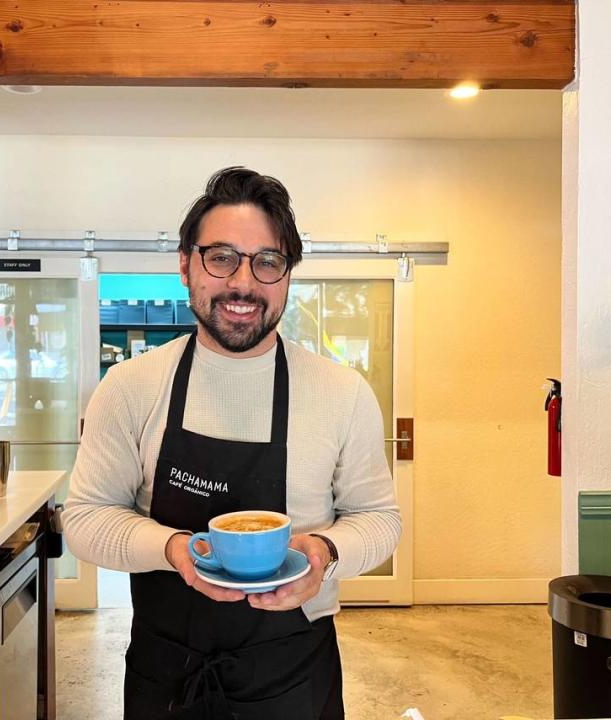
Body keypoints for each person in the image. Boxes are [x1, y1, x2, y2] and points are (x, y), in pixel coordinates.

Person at [62, 166, 402, 719]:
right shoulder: (130, 387)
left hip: (293, 672)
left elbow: (380, 520)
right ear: (185, 265)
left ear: (287, 276)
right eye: (221, 257)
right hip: (166, 672)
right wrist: (175, 551)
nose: (243, 283)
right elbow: (86, 520)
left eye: (267, 262)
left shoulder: (341, 392)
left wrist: (324, 554)